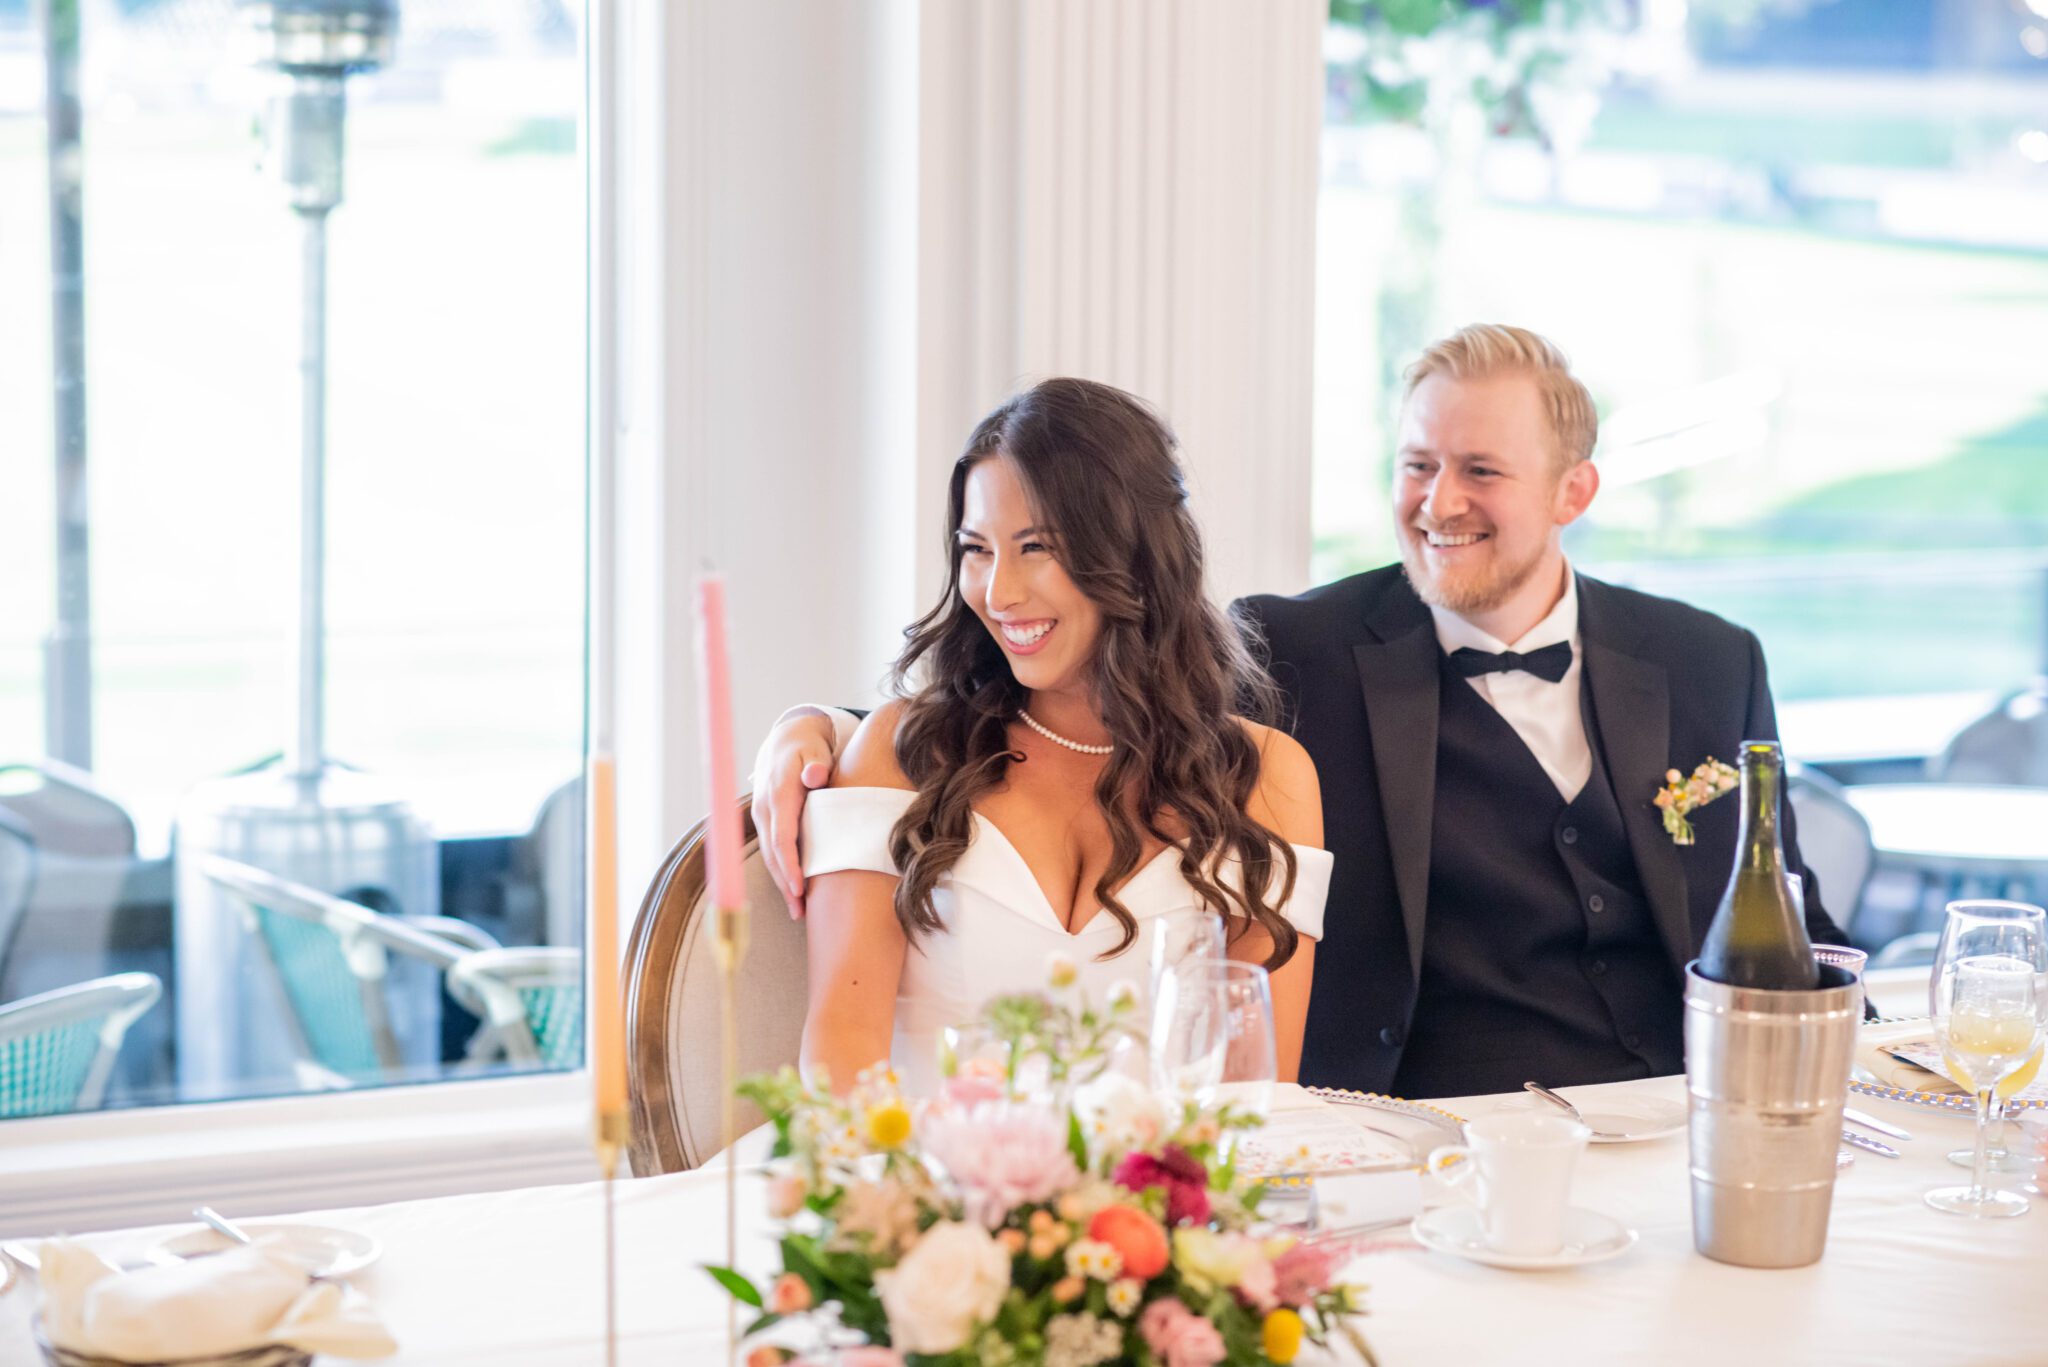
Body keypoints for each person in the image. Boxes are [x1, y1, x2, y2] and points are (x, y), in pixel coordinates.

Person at [759, 325, 1846, 1098]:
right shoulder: (1302, 649)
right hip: (1417, 1129)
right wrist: (817, 726)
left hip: (1663, 1118)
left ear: (1573, 493)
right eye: (1416, 463)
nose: (1437, 501)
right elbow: (1070, 681)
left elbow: (1787, 926)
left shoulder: (1708, 660)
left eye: (1479, 469)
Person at [793, 377, 1329, 1095]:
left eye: (1036, 546)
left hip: (1159, 1202)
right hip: (920, 1191)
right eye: (975, 548)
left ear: (1134, 553)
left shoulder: (1266, 777)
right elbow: (840, 1058)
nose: (998, 591)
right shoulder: (902, 753)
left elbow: (1250, 1098)